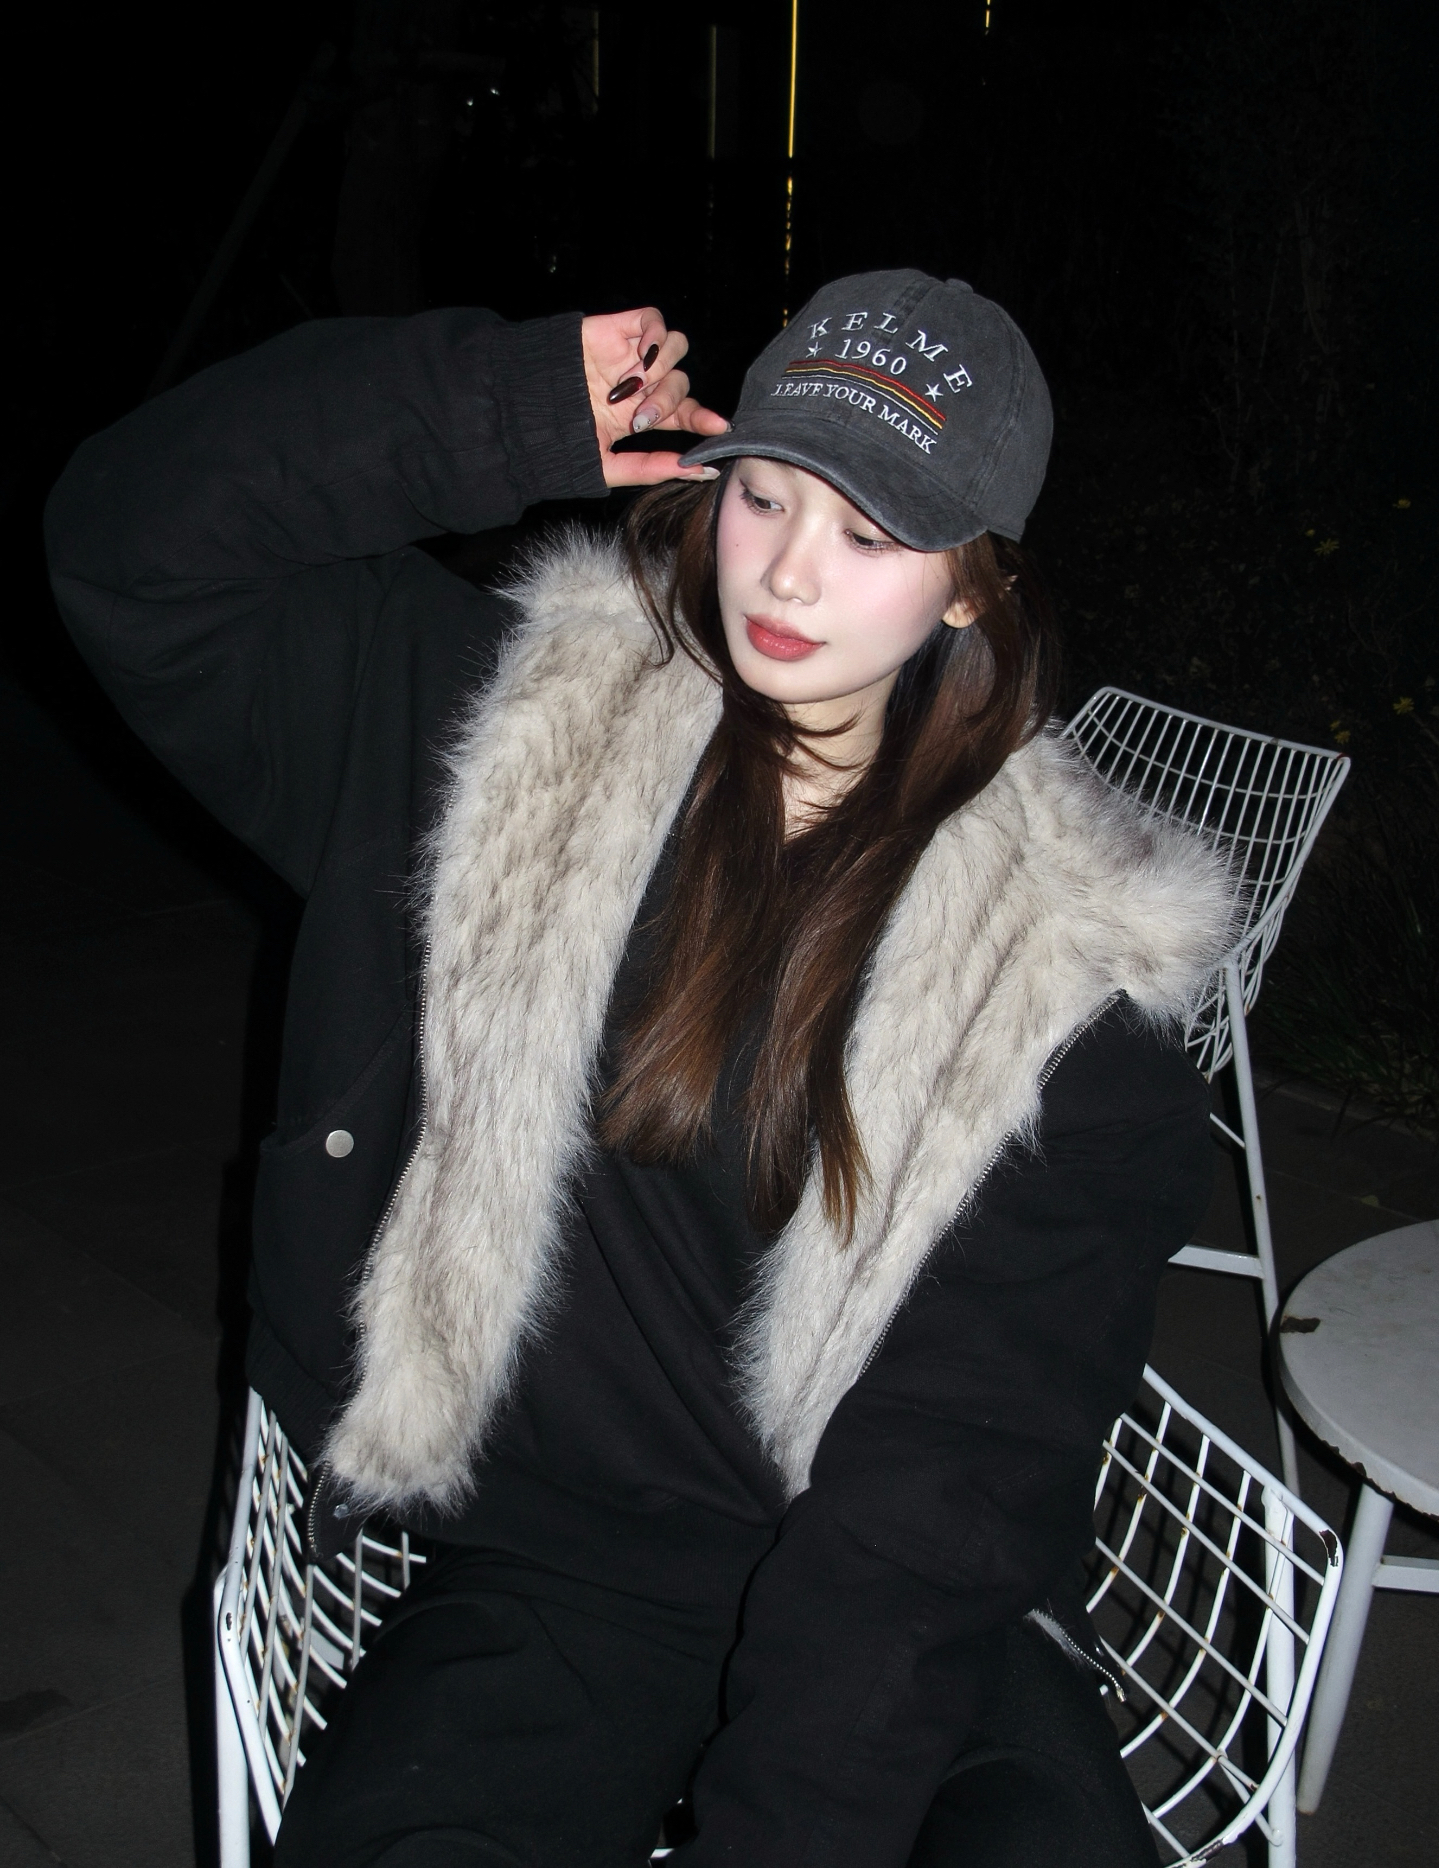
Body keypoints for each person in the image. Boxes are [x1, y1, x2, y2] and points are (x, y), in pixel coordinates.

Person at [47, 270, 1230, 1868]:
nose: (789, 571)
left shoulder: (1056, 989)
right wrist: (497, 415)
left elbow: (941, 1495)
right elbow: (129, 544)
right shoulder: (497, 739)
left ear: (971, 588)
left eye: (870, 533)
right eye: (764, 493)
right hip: (561, 1567)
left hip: (906, 1616)